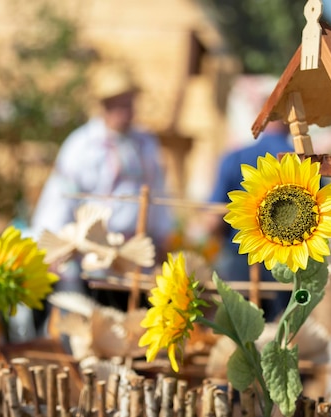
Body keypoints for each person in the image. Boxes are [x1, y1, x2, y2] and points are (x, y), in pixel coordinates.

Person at [30, 64, 173, 308]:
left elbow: (157, 193)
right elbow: (61, 196)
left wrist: (161, 238)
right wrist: (50, 244)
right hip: (91, 256)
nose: (125, 110)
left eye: (128, 102)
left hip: (135, 255)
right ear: (104, 105)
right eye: (118, 102)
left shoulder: (145, 143)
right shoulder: (82, 145)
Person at [206, 118, 293, 320]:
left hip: (240, 257)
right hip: (286, 263)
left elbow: (212, 220)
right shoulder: (306, 161)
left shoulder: (236, 158)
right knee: (282, 330)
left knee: (241, 328)